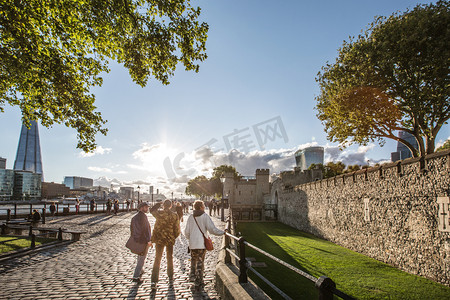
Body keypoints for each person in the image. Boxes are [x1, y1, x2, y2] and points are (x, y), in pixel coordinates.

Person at [184, 200, 225, 291]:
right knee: (200, 261)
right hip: (201, 243)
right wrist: (223, 233)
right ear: (201, 207)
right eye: (203, 206)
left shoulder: (191, 217)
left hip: (192, 243)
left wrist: (190, 239)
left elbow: (186, 231)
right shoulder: (204, 216)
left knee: (193, 260)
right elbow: (212, 229)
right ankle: (199, 281)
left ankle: (193, 276)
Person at [149, 200, 180, 290]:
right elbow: (177, 229)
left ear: (164, 206)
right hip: (169, 238)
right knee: (169, 257)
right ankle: (170, 275)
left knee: (157, 258)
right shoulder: (175, 215)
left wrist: (158, 204)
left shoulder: (159, 213)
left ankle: (154, 280)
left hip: (159, 238)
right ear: (171, 206)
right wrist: (174, 236)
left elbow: (151, 210)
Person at [130, 202, 152, 283]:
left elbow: (132, 230)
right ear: (141, 208)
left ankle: (141, 270)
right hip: (143, 240)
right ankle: (136, 276)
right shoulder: (143, 217)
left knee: (139, 256)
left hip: (136, 239)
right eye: (146, 207)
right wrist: (149, 240)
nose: (147, 209)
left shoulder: (134, 217)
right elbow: (146, 230)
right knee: (141, 258)